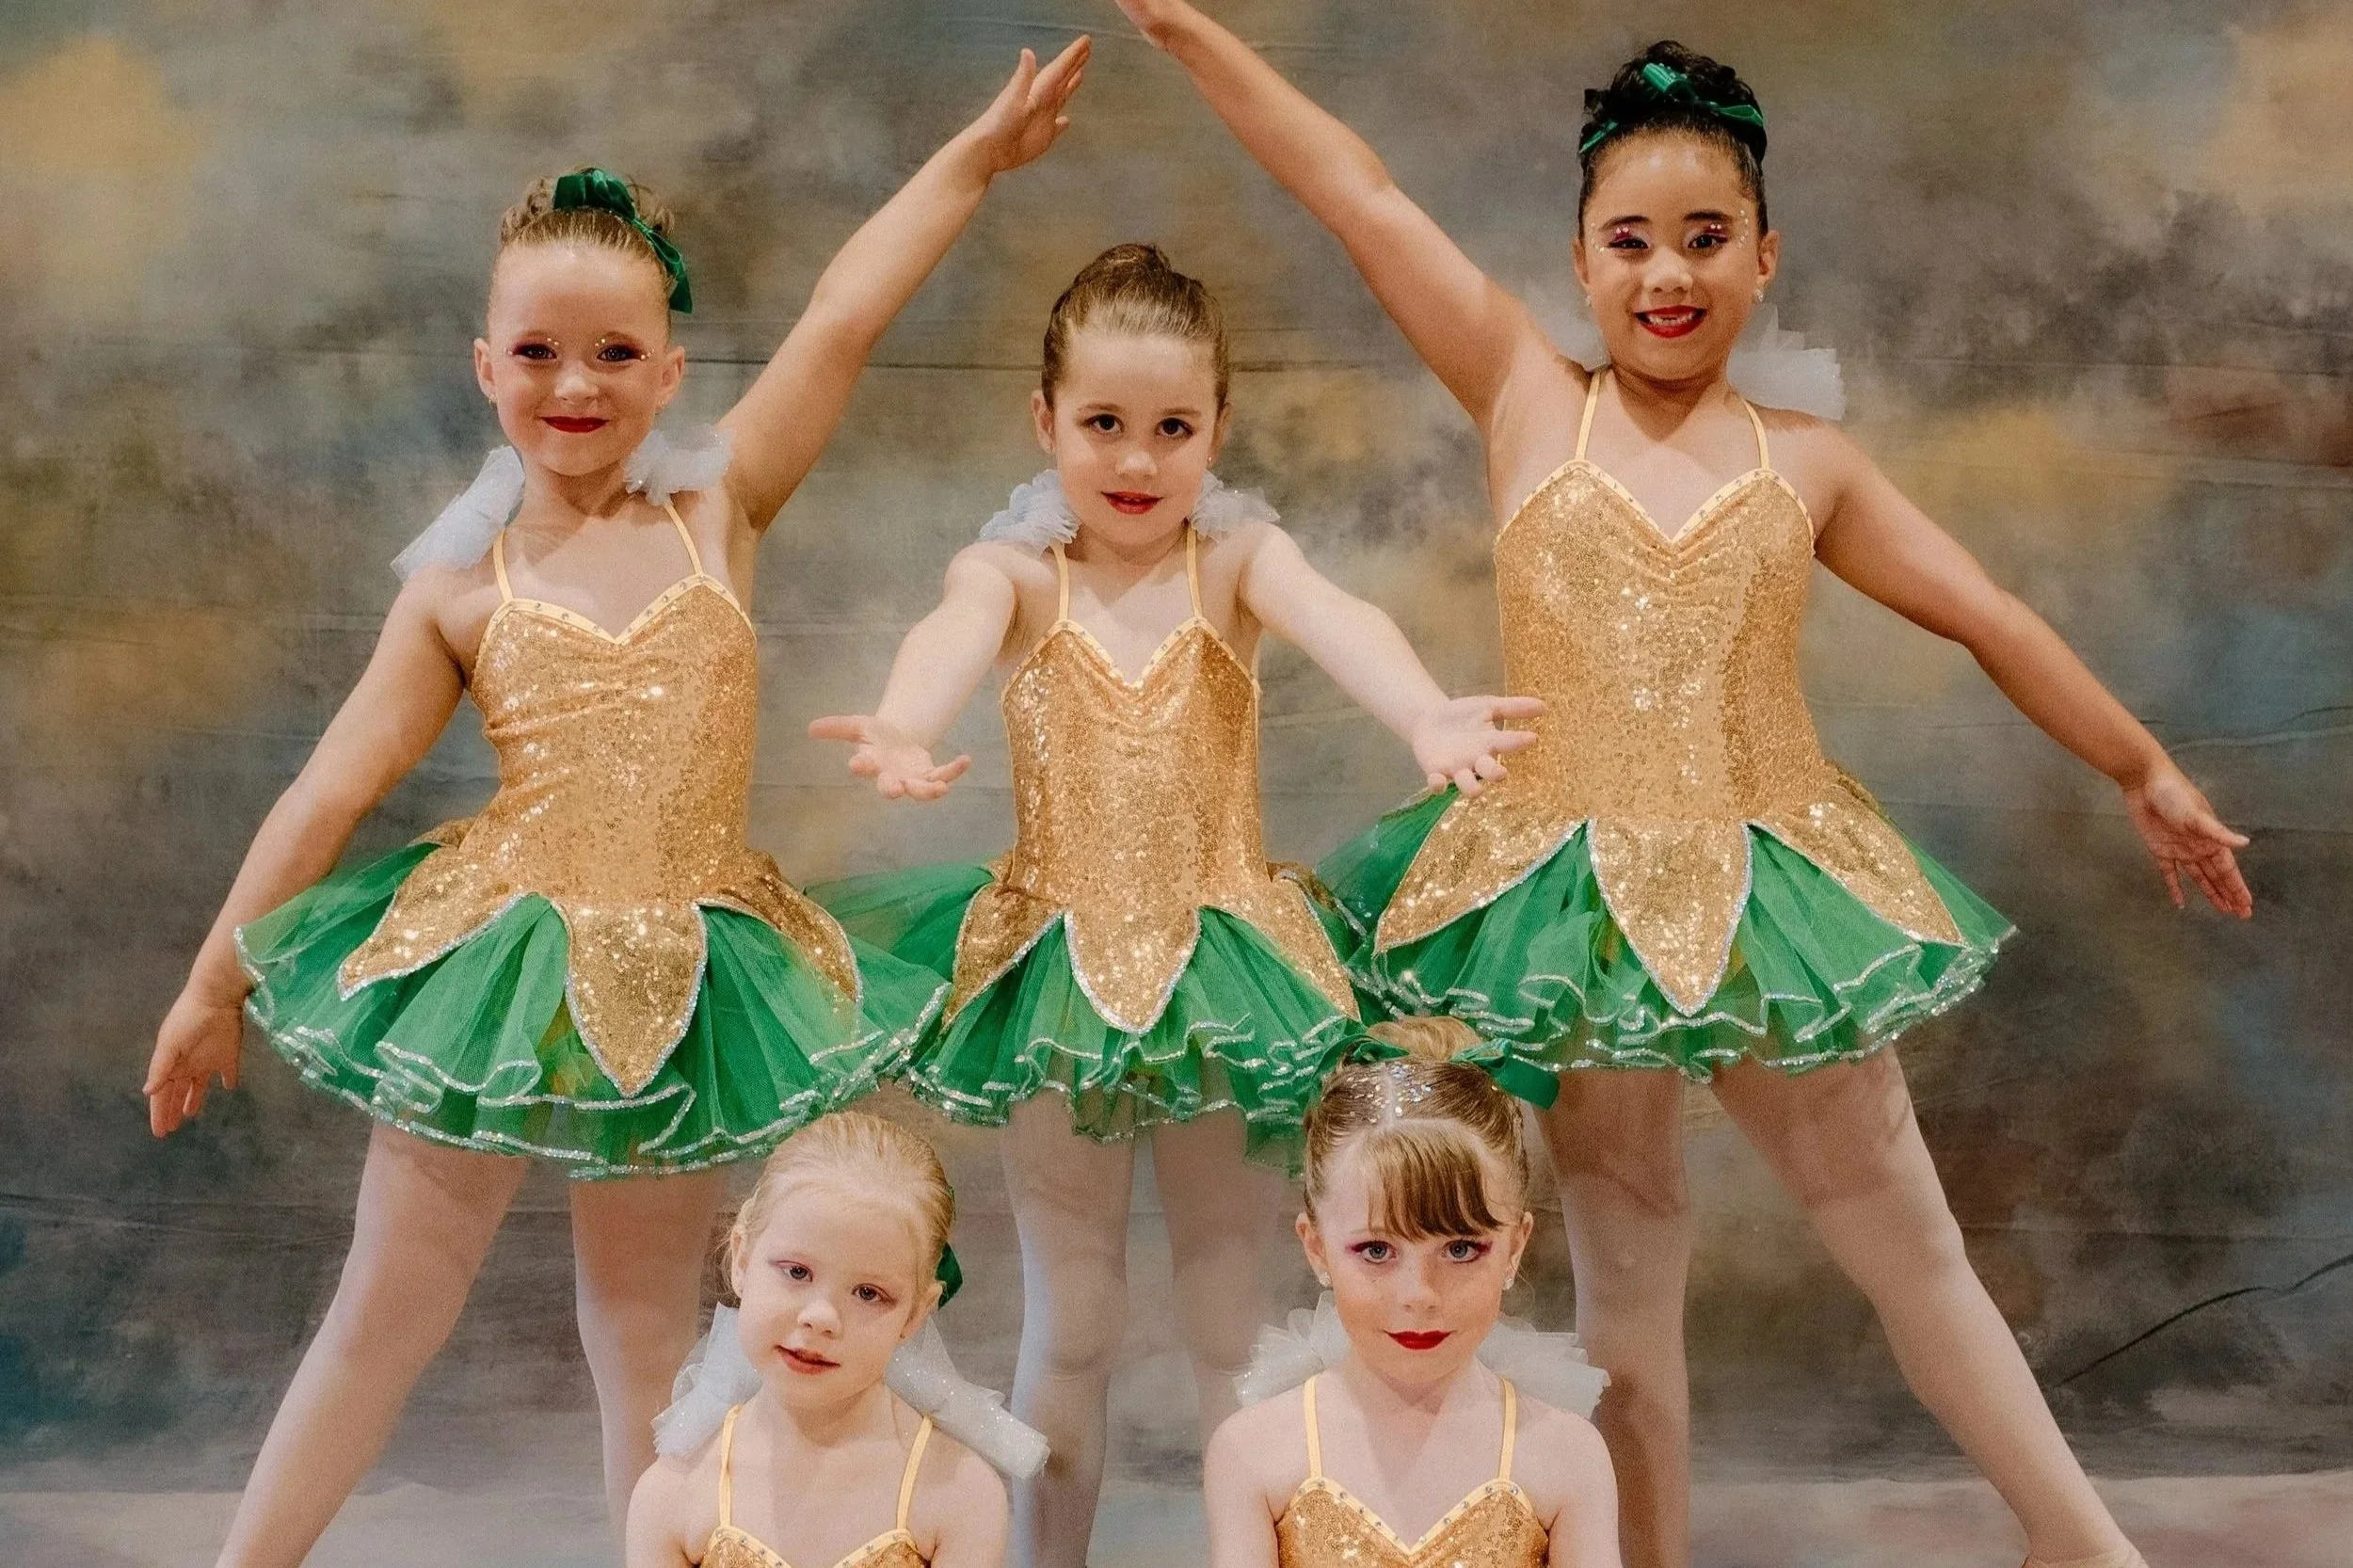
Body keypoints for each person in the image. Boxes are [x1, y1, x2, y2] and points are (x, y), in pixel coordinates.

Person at [1112, 8, 2251, 1566]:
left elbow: (1983, 609)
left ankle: (2080, 1540)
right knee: (1628, 1269)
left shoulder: (1808, 462)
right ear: (1579, 262)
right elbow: (1357, 192)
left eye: (1706, 239)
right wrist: (1188, 32)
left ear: (1765, 256)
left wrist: (2143, 762)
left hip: (1768, 881)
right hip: (1564, 903)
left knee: (1910, 1241)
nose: (1668, 276)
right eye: (1631, 241)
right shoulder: (1525, 394)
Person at [138, 41, 1090, 1565]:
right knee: (385, 1310)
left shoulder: (723, 505)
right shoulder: (458, 588)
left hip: (688, 970)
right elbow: (327, 790)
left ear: (669, 368)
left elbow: (848, 309)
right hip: (498, 960)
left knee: (643, 1331)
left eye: (612, 353)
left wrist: (973, 160)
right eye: (536, 353)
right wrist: (208, 980)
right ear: (484, 365)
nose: (574, 385)